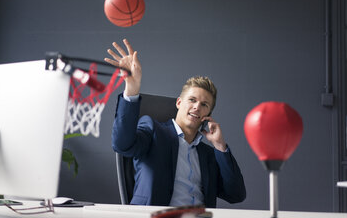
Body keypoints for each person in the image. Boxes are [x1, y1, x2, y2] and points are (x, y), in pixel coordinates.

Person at [105, 39, 246, 208]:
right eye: (192, 100)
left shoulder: (208, 154)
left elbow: (236, 194)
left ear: (208, 114)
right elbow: (122, 145)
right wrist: (132, 90)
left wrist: (220, 146)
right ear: (179, 103)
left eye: (204, 105)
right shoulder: (153, 130)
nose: (196, 107)